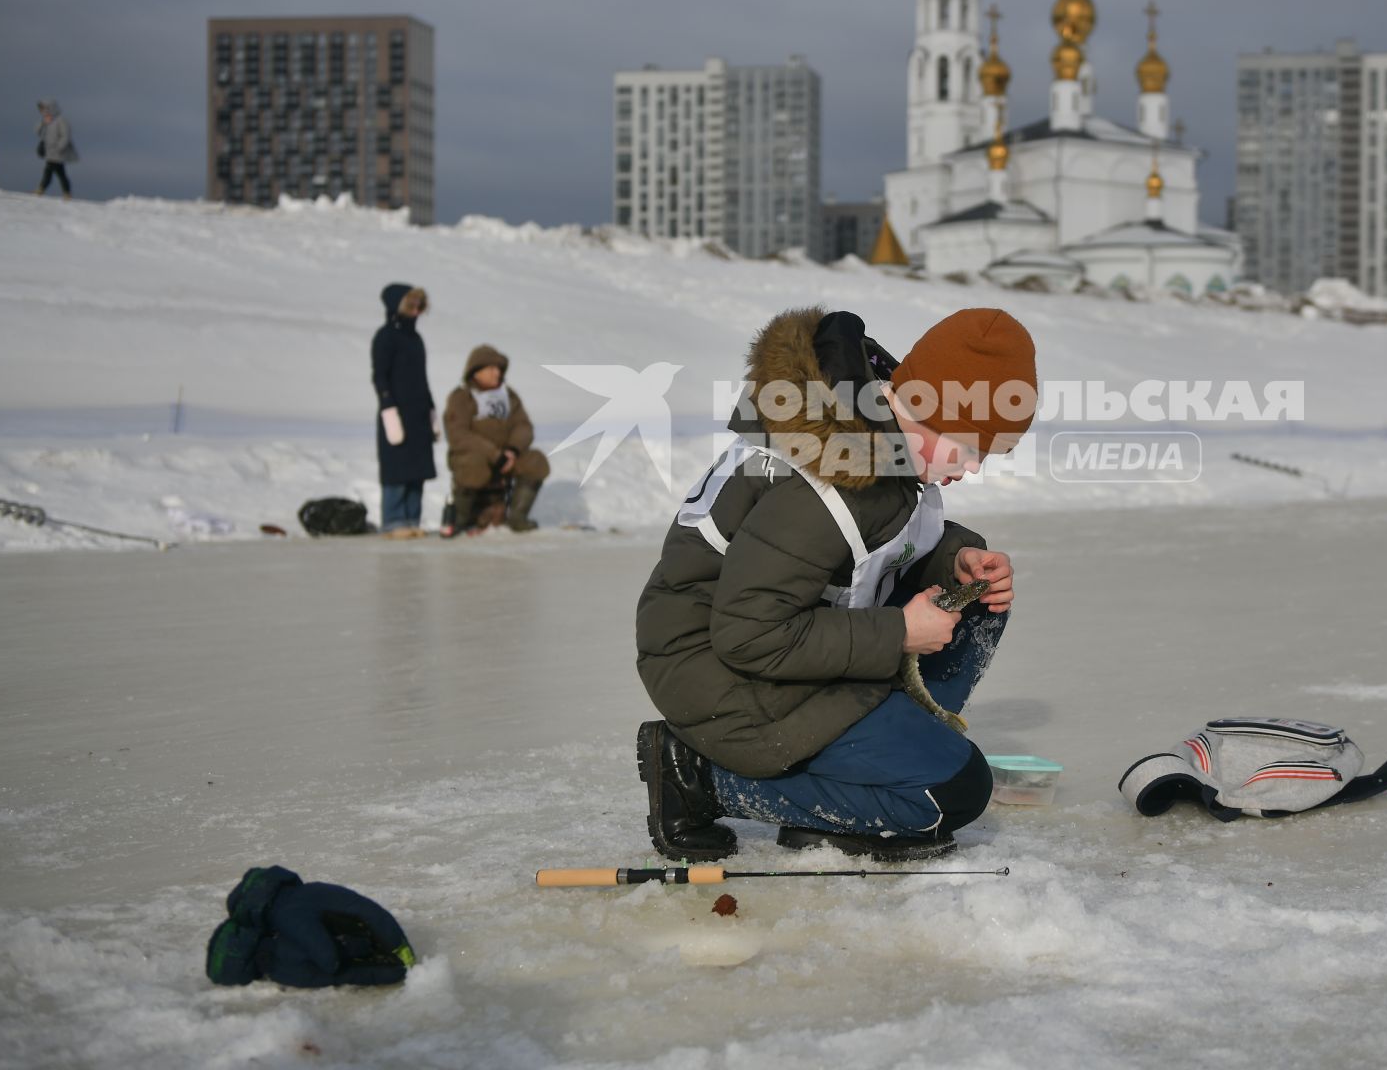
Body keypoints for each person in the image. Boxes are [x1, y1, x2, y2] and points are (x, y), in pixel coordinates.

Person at [635, 306, 1036, 861]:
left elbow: (878, 539)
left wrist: (956, 559)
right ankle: (699, 778)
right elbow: (750, 634)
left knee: (979, 602)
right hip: (716, 671)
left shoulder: (876, 431)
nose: (971, 470)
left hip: (775, 644)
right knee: (950, 794)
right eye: (969, 449)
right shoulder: (828, 480)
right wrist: (898, 631)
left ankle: (871, 769)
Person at [443, 344, 551, 535]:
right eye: (491, 369)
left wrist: (512, 450)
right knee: (473, 462)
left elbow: (524, 426)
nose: (497, 374)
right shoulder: (462, 397)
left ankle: (517, 517)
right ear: (476, 371)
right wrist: (494, 454)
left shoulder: (509, 397)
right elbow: (458, 435)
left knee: (536, 461)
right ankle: (461, 519)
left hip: (507, 457)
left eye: (499, 369)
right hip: (475, 459)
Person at [370, 284, 436, 538]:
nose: (417, 311)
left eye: (420, 306)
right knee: (397, 469)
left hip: (418, 413)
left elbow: (422, 378)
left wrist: (431, 410)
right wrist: (387, 407)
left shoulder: (416, 339)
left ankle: (412, 519)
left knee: (417, 471)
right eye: (412, 305)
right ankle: (394, 521)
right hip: (396, 413)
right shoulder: (386, 336)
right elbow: (379, 375)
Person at [33, 99, 78, 198]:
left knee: (49, 171)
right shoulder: (47, 122)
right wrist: (43, 122)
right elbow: (37, 131)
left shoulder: (61, 121)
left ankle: (41, 189)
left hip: (58, 153)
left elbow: (65, 136)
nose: (44, 112)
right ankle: (66, 192)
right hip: (50, 152)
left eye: (45, 109)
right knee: (60, 173)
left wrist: (59, 148)